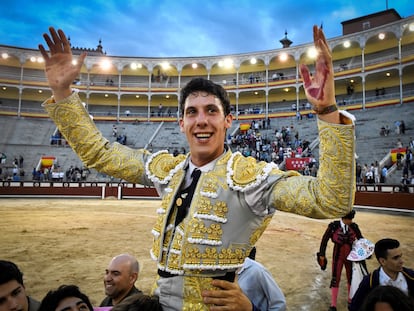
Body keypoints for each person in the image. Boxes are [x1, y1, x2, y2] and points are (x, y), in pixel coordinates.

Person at [39, 25, 356, 310]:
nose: (201, 120)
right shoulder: (168, 170)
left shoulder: (250, 177)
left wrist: (327, 111)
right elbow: (100, 153)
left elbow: (331, 199)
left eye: (211, 111)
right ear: (181, 123)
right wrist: (62, 93)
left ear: (228, 121)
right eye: (192, 112)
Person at [317, 210, 364, 311]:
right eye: (349, 219)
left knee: (351, 278)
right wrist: (322, 254)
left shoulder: (354, 227)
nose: (350, 221)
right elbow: (324, 240)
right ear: (344, 218)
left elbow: (361, 240)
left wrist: (364, 252)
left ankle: (351, 300)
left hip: (351, 257)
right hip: (337, 256)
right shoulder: (334, 226)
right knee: (335, 278)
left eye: (351, 219)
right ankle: (333, 305)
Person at [349, 238, 414, 311]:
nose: (401, 261)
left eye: (400, 256)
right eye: (396, 258)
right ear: (382, 261)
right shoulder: (369, 282)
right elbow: (354, 307)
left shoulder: (411, 276)